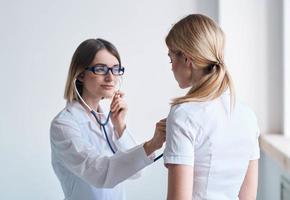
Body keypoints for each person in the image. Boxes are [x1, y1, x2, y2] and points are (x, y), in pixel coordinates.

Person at [50, 38, 166, 200]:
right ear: (81, 74)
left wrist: (120, 126)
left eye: (115, 69)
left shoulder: (106, 118)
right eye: (100, 69)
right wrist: (152, 144)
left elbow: (137, 172)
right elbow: (100, 173)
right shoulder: (63, 125)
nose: (111, 77)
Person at [163, 14, 260, 200]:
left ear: (186, 59)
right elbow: (248, 197)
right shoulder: (247, 115)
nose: (171, 67)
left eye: (171, 58)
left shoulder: (183, 114)